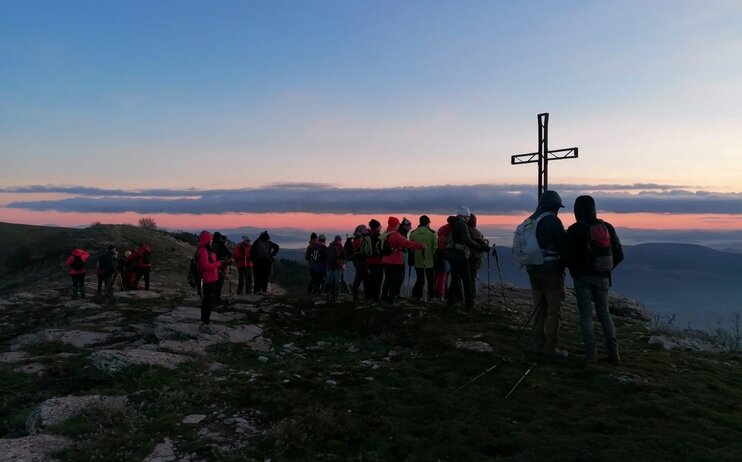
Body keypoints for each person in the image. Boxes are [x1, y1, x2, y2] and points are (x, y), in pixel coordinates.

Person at [565, 195, 624, 363]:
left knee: (586, 316)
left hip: (582, 277)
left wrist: (575, 271)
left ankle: (591, 355)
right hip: (603, 277)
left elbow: (568, 256)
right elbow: (619, 254)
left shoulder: (574, 229)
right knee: (604, 313)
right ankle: (614, 354)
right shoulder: (607, 227)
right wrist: (607, 269)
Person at [523, 190, 568, 359]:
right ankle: (550, 349)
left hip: (532, 269)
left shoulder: (529, 220)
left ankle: (536, 346)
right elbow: (563, 245)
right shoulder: (551, 220)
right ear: (554, 206)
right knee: (553, 310)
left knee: (539, 308)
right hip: (551, 270)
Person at [445, 206, 489, 311]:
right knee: (466, 280)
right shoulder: (462, 225)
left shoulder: (454, 223)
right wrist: (480, 247)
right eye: (468, 217)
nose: (468, 219)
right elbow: (466, 240)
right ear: (465, 216)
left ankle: (450, 301)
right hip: (461, 255)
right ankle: (469, 304)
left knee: (455, 279)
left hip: (453, 255)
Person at [380, 217, 424, 304]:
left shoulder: (385, 234)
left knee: (387, 280)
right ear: (395, 224)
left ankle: (384, 297)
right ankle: (391, 299)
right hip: (395, 261)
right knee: (395, 280)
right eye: (397, 224)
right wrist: (420, 245)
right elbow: (407, 244)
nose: (398, 225)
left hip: (385, 260)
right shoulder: (396, 235)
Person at [196, 231, 222, 334]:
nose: (211, 241)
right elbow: (204, 266)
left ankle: (205, 322)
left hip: (212, 279)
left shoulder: (206, 250)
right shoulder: (203, 251)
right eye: (210, 239)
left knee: (209, 302)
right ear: (207, 240)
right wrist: (218, 264)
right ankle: (204, 324)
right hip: (208, 280)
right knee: (207, 302)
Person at [409, 215, 437, 300]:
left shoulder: (413, 233)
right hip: (430, 261)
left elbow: (411, 247)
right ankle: (431, 297)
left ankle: (418, 296)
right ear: (428, 223)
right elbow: (435, 247)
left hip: (418, 260)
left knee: (420, 279)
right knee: (430, 280)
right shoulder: (432, 234)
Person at [467, 213, 489, 296]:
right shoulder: (479, 233)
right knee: (473, 277)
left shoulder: (467, 232)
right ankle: (473, 294)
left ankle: (467, 295)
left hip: (468, 258)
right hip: (477, 259)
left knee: (466, 277)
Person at [365, 219, 384, 300]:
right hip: (378, 261)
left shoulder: (367, 235)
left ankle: (368, 296)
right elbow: (382, 249)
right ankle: (375, 296)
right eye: (380, 226)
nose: (381, 227)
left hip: (369, 260)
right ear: (376, 227)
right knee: (378, 280)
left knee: (370, 279)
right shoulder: (379, 236)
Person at [349, 225, 368, 301]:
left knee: (358, 278)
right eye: (365, 229)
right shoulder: (360, 239)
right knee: (364, 278)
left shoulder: (354, 239)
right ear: (361, 230)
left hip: (356, 261)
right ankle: (366, 296)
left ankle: (355, 296)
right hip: (361, 261)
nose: (366, 230)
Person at [211, 232, 232, 303]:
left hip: (213, 267)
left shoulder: (211, 245)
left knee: (214, 284)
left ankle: (213, 299)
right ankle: (217, 299)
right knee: (219, 284)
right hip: (220, 267)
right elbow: (228, 254)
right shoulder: (221, 246)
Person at [325, 235, 347, 301]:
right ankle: (336, 295)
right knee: (337, 281)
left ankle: (328, 294)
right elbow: (345, 257)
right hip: (338, 266)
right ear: (340, 240)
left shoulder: (329, 247)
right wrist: (342, 262)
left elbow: (326, 256)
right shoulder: (341, 247)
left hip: (329, 266)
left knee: (329, 280)